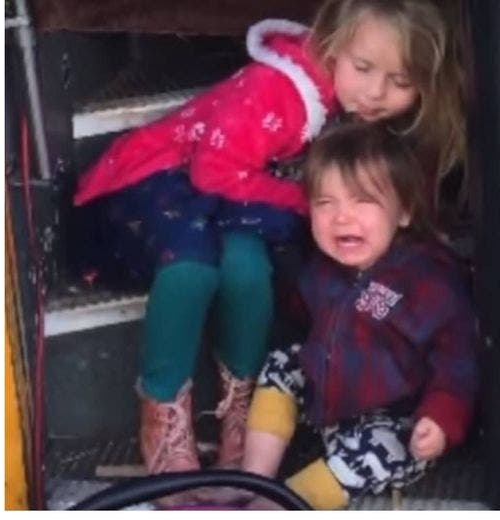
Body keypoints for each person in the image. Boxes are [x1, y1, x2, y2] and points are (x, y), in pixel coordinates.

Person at [71, 0, 465, 485]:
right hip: (160, 179)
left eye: (401, 82)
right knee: (192, 269)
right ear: (333, 46)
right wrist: (309, 200)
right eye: (364, 68)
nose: (377, 92)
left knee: (249, 271)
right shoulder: (277, 90)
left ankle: (242, 406)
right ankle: (164, 410)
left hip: (237, 196)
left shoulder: (355, 111)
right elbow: (212, 172)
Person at [239, 121, 478, 509]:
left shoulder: (427, 281)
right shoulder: (322, 268)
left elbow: (459, 361)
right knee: (282, 362)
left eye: (362, 200)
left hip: (399, 421)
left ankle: (278, 505)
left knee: (374, 451)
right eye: (325, 203)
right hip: (333, 396)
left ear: (403, 212)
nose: (342, 218)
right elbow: (307, 314)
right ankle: (252, 479)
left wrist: (441, 419)